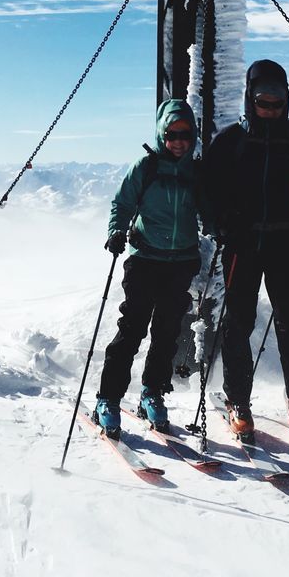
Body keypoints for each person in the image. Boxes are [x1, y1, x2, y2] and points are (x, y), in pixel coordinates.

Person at [203, 60, 289, 441]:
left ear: (287, 100)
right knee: (238, 323)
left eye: (277, 101)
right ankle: (237, 400)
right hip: (242, 243)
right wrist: (220, 223)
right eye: (262, 101)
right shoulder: (230, 141)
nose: (269, 108)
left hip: (284, 241)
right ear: (249, 98)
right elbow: (207, 188)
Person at [94, 99, 207, 437]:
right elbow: (122, 202)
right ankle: (108, 399)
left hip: (181, 261)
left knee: (166, 334)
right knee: (132, 329)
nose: (178, 141)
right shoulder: (146, 166)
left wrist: (220, 227)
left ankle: (152, 393)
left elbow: (208, 209)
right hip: (144, 259)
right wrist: (116, 231)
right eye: (171, 134)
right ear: (162, 134)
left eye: (184, 135)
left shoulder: (195, 172)